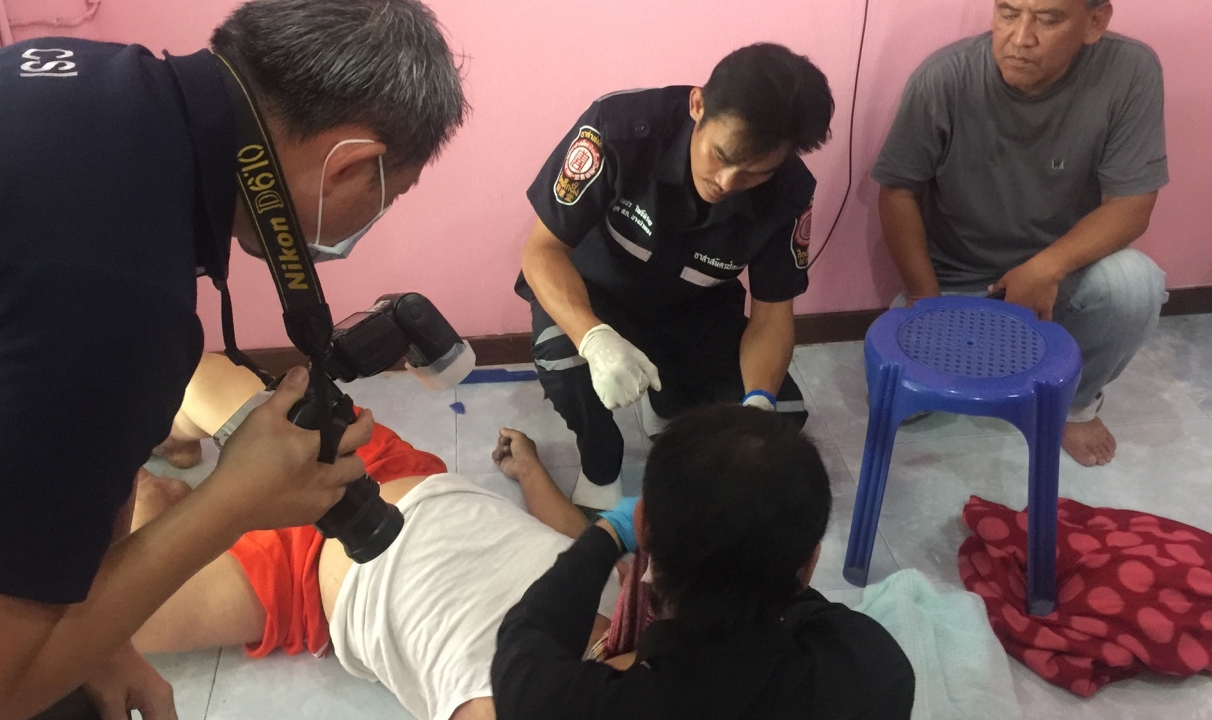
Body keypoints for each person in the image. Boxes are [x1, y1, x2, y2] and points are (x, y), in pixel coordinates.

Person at [0, 1, 466, 717]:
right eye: (387, 198)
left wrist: (105, 640)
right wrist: (232, 504)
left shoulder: (109, 90)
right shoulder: (113, 292)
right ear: (350, 166)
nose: (373, 221)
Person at [128, 353, 622, 720]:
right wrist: (530, 471)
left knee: (118, 618)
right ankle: (171, 453)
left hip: (303, 578)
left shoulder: (523, 704)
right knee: (193, 376)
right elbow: (585, 542)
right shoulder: (636, 602)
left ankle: (154, 497)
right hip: (376, 475)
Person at [516, 43, 835, 509]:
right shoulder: (617, 129)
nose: (727, 182)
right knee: (561, 359)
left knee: (777, 420)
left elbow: (771, 315)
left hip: (693, 311)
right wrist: (593, 339)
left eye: (754, 174)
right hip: (595, 293)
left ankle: (668, 400)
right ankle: (600, 458)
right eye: (721, 155)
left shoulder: (788, 193)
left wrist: (759, 401)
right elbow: (541, 251)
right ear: (698, 104)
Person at [872, 0, 1168, 467]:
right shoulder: (944, 77)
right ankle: (992, 346)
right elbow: (898, 192)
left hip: (1061, 280)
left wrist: (1044, 270)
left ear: (1094, 22)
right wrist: (925, 302)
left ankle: (1075, 402)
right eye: (1008, 12)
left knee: (1136, 284)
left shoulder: (1130, 71)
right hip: (956, 283)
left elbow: (1131, 206)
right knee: (903, 402)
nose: (1020, 38)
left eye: (1048, 19)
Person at [491, 403, 915, 719]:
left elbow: (527, 638)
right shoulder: (875, 669)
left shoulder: (567, 704)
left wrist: (609, 533)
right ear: (809, 565)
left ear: (642, 526)